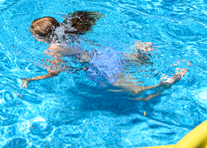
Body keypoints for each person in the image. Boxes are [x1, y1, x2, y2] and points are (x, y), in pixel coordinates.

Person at [21, 12, 188, 100]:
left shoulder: (53, 49)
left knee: (137, 93)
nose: (33, 38)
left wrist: (31, 79)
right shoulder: (66, 31)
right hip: (103, 54)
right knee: (129, 61)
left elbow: (54, 72)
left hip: (97, 67)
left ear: (42, 38)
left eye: (34, 36)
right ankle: (139, 50)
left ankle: (168, 82)